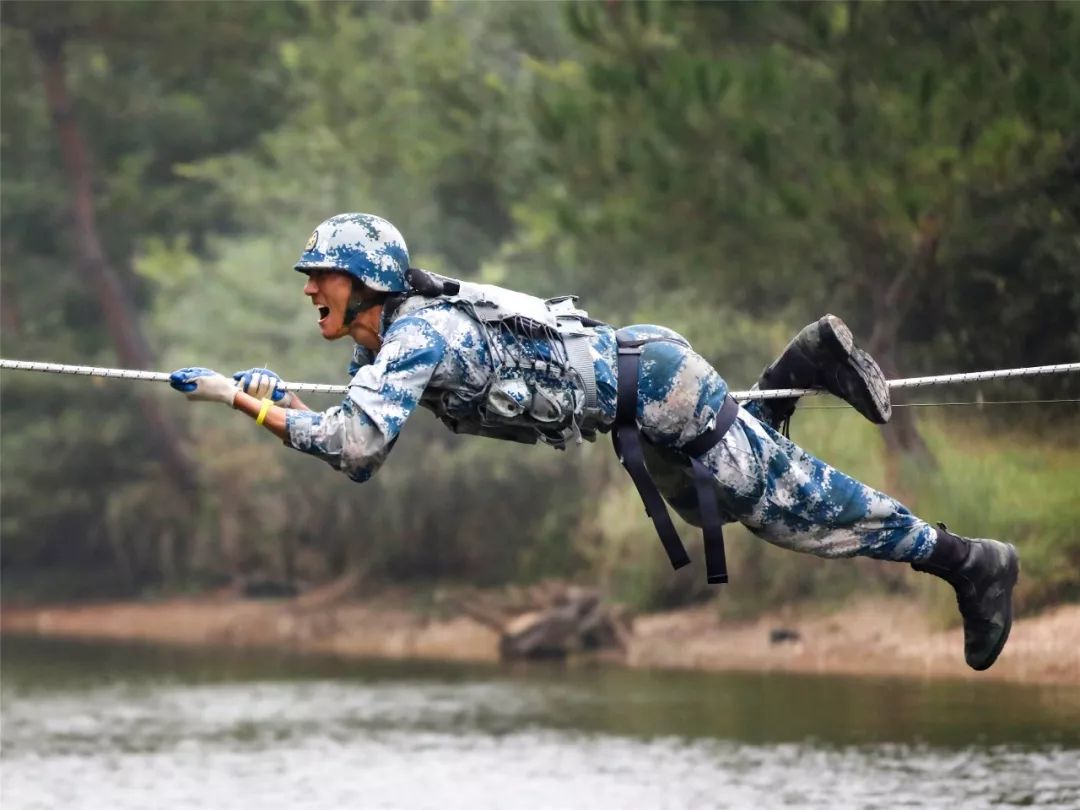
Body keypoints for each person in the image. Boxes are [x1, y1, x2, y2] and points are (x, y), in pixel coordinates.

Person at [169, 212, 1019, 671]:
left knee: (788, 509)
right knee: (707, 498)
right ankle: (800, 367)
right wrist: (269, 397)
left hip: (654, 390)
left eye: (323, 274)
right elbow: (351, 416)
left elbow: (356, 450)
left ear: (371, 286)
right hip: (640, 399)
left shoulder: (413, 340)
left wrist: (242, 406)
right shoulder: (391, 339)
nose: (310, 286)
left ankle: (967, 561)